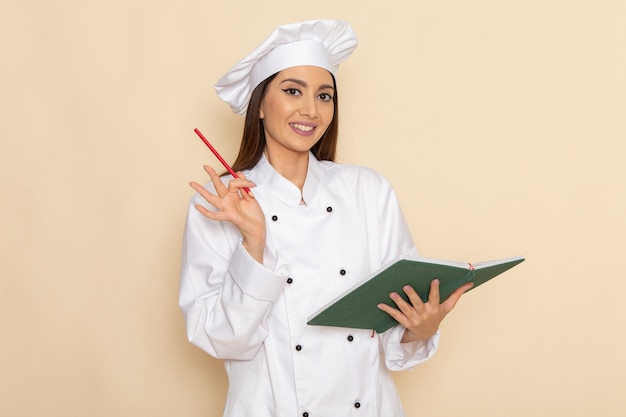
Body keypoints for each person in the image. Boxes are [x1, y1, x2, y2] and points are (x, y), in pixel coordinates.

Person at [179, 19, 471, 417]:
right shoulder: (222, 203)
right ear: (260, 104)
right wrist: (254, 245)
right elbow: (222, 340)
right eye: (293, 91)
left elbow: (393, 329)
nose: (310, 110)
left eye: (325, 95)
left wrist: (421, 328)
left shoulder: (369, 191)